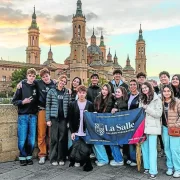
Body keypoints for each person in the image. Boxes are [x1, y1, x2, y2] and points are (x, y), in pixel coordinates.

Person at [12, 68, 38, 166]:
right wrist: (23, 102)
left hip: (33, 116)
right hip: (23, 116)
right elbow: (14, 101)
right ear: (27, 76)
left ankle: (29, 156)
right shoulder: (21, 86)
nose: (31, 78)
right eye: (30, 76)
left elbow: (45, 82)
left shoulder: (36, 85)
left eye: (33, 76)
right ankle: (22, 156)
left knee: (31, 138)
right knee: (22, 138)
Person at [46, 75, 71, 166]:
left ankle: (61, 158)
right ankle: (53, 158)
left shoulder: (67, 92)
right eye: (62, 80)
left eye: (64, 81)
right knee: (54, 139)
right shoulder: (51, 91)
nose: (63, 82)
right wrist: (48, 119)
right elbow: (48, 105)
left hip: (63, 119)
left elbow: (68, 107)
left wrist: (68, 120)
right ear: (58, 81)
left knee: (62, 139)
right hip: (54, 118)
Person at [140, 82, 162, 179]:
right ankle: (147, 167)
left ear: (150, 87)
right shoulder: (142, 99)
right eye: (143, 88)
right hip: (143, 127)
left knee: (152, 149)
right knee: (144, 148)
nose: (144, 89)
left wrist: (147, 108)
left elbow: (158, 114)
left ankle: (153, 170)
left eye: (146, 87)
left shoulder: (157, 99)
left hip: (153, 127)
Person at [68, 85, 94, 171]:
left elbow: (92, 118)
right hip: (76, 130)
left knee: (86, 148)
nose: (81, 95)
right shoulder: (72, 104)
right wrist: (72, 132)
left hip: (86, 131)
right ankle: (77, 160)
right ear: (77, 93)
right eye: (80, 93)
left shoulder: (90, 104)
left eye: (83, 93)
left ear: (86, 94)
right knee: (76, 147)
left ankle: (84, 161)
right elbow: (70, 119)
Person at [161, 85, 180, 178]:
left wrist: (176, 125)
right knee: (167, 148)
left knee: (175, 149)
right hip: (164, 128)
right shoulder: (161, 102)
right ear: (162, 92)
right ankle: (170, 167)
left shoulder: (177, 101)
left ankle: (178, 169)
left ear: (171, 92)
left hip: (175, 129)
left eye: (168, 91)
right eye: (164, 91)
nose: (166, 93)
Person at [93, 84, 113, 166]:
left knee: (104, 141)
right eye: (103, 89)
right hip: (98, 121)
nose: (104, 91)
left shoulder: (111, 99)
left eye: (106, 90)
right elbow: (95, 108)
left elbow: (107, 111)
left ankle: (104, 159)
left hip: (106, 122)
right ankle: (101, 158)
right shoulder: (98, 98)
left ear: (108, 91)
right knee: (97, 140)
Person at [110, 86, 128, 166]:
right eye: (116, 92)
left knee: (113, 141)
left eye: (118, 92)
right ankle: (118, 157)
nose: (117, 93)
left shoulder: (122, 102)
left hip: (120, 125)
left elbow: (125, 112)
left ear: (122, 93)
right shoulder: (118, 100)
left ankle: (119, 159)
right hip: (117, 124)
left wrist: (117, 110)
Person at [125, 79, 140, 167]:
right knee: (129, 139)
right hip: (128, 121)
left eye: (134, 84)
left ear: (137, 85)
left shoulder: (140, 96)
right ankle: (130, 157)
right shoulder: (128, 95)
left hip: (137, 121)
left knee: (135, 140)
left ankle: (134, 158)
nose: (132, 86)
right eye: (131, 85)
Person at [158, 71, 171, 157]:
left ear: (168, 78)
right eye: (161, 77)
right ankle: (165, 151)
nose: (163, 78)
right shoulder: (159, 88)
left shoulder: (172, 87)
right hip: (163, 116)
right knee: (164, 138)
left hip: (172, 117)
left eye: (164, 77)